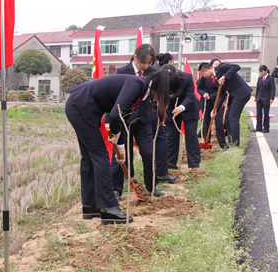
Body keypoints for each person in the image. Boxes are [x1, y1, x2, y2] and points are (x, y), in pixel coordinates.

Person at [67, 70, 180, 223]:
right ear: (162, 90)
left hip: (82, 107)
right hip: (80, 107)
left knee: (89, 157)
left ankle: (90, 205)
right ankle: (108, 208)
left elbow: (121, 115)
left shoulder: (143, 91)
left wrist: (120, 146)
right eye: (167, 96)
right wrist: (117, 139)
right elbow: (116, 114)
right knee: (100, 156)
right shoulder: (137, 85)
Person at [108, 46, 175, 200]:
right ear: (135, 57)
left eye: (149, 63)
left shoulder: (152, 73)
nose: (145, 66)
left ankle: (151, 186)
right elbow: (116, 98)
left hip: (144, 119)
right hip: (125, 120)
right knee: (121, 153)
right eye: (143, 62)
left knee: (148, 153)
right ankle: (116, 189)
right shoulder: (122, 72)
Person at [162, 65, 201, 168]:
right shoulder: (160, 79)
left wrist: (182, 107)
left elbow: (190, 96)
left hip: (189, 108)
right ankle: (170, 163)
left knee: (191, 136)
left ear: (176, 73)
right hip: (171, 110)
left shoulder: (186, 77)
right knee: (171, 135)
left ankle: (194, 165)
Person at [211, 59, 251, 148]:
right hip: (235, 95)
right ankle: (231, 142)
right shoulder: (216, 78)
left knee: (233, 118)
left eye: (202, 74)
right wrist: (215, 109)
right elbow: (221, 95)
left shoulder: (221, 67)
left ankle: (235, 145)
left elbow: (236, 67)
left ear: (205, 70)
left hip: (241, 93)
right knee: (228, 118)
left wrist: (224, 76)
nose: (203, 76)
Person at [198, 62, 229, 149]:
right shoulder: (204, 78)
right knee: (206, 123)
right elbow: (199, 88)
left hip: (216, 102)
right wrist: (204, 94)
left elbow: (221, 92)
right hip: (206, 103)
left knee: (219, 123)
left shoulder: (219, 77)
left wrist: (211, 96)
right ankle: (207, 142)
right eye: (215, 64)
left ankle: (222, 144)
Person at [254, 65, 276, 132]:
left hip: (266, 98)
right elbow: (258, 88)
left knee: (266, 113)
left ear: (266, 71)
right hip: (259, 98)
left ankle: (266, 128)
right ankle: (258, 127)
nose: (261, 73)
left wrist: (271, 98)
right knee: (258, 113)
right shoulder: (260, 78)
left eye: (262, 71)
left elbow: (272, 89)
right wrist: (256, 97)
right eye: (260, 72)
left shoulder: (270, 79)